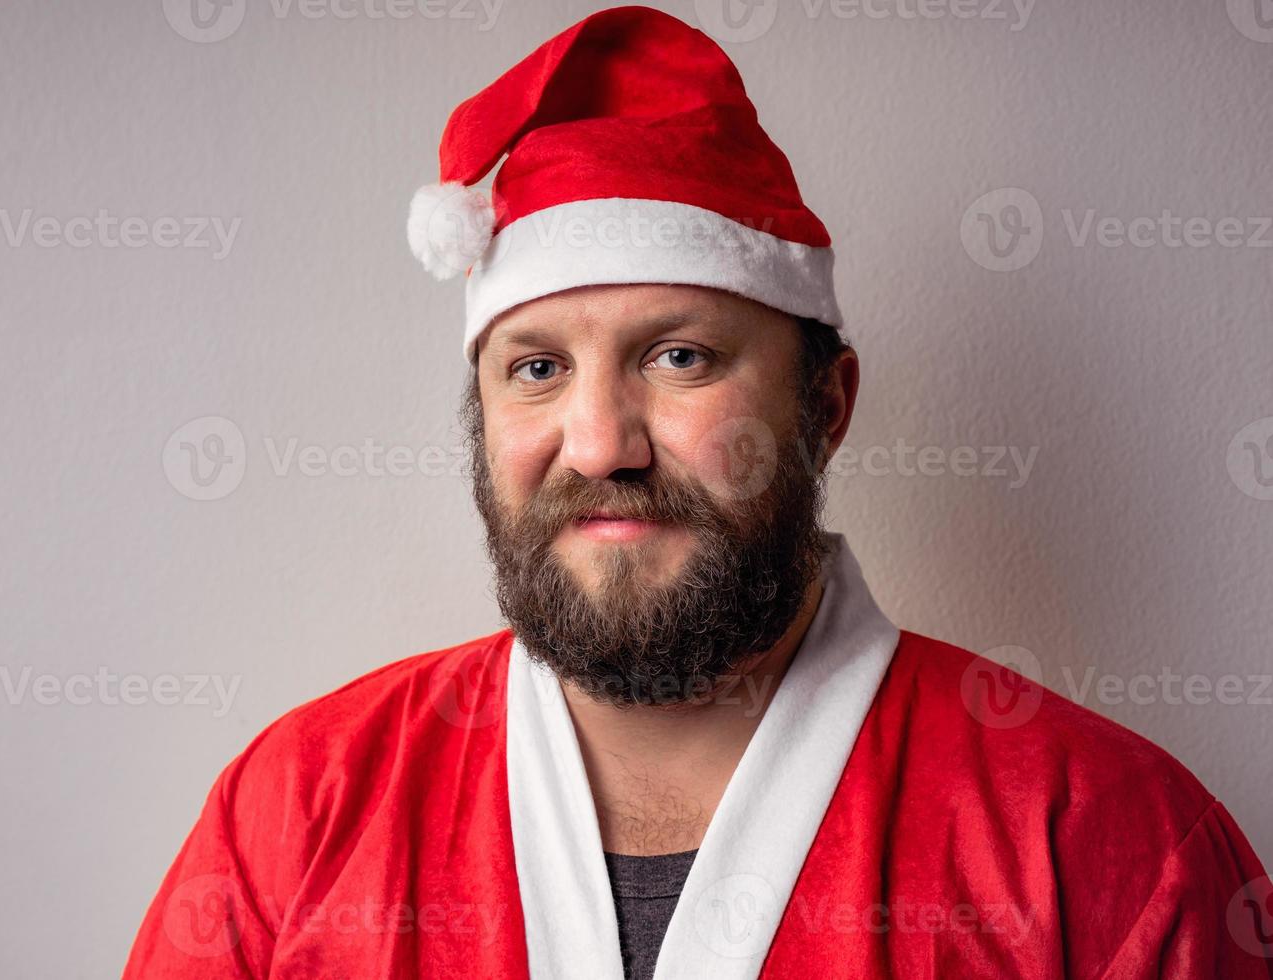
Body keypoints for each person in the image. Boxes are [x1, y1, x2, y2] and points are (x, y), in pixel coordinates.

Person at [123, 7, 1272, 978]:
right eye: (536, 367)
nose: (599, 443)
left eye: (679, 356)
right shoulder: (290, 820)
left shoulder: (1111, 845)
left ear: (824, 403)